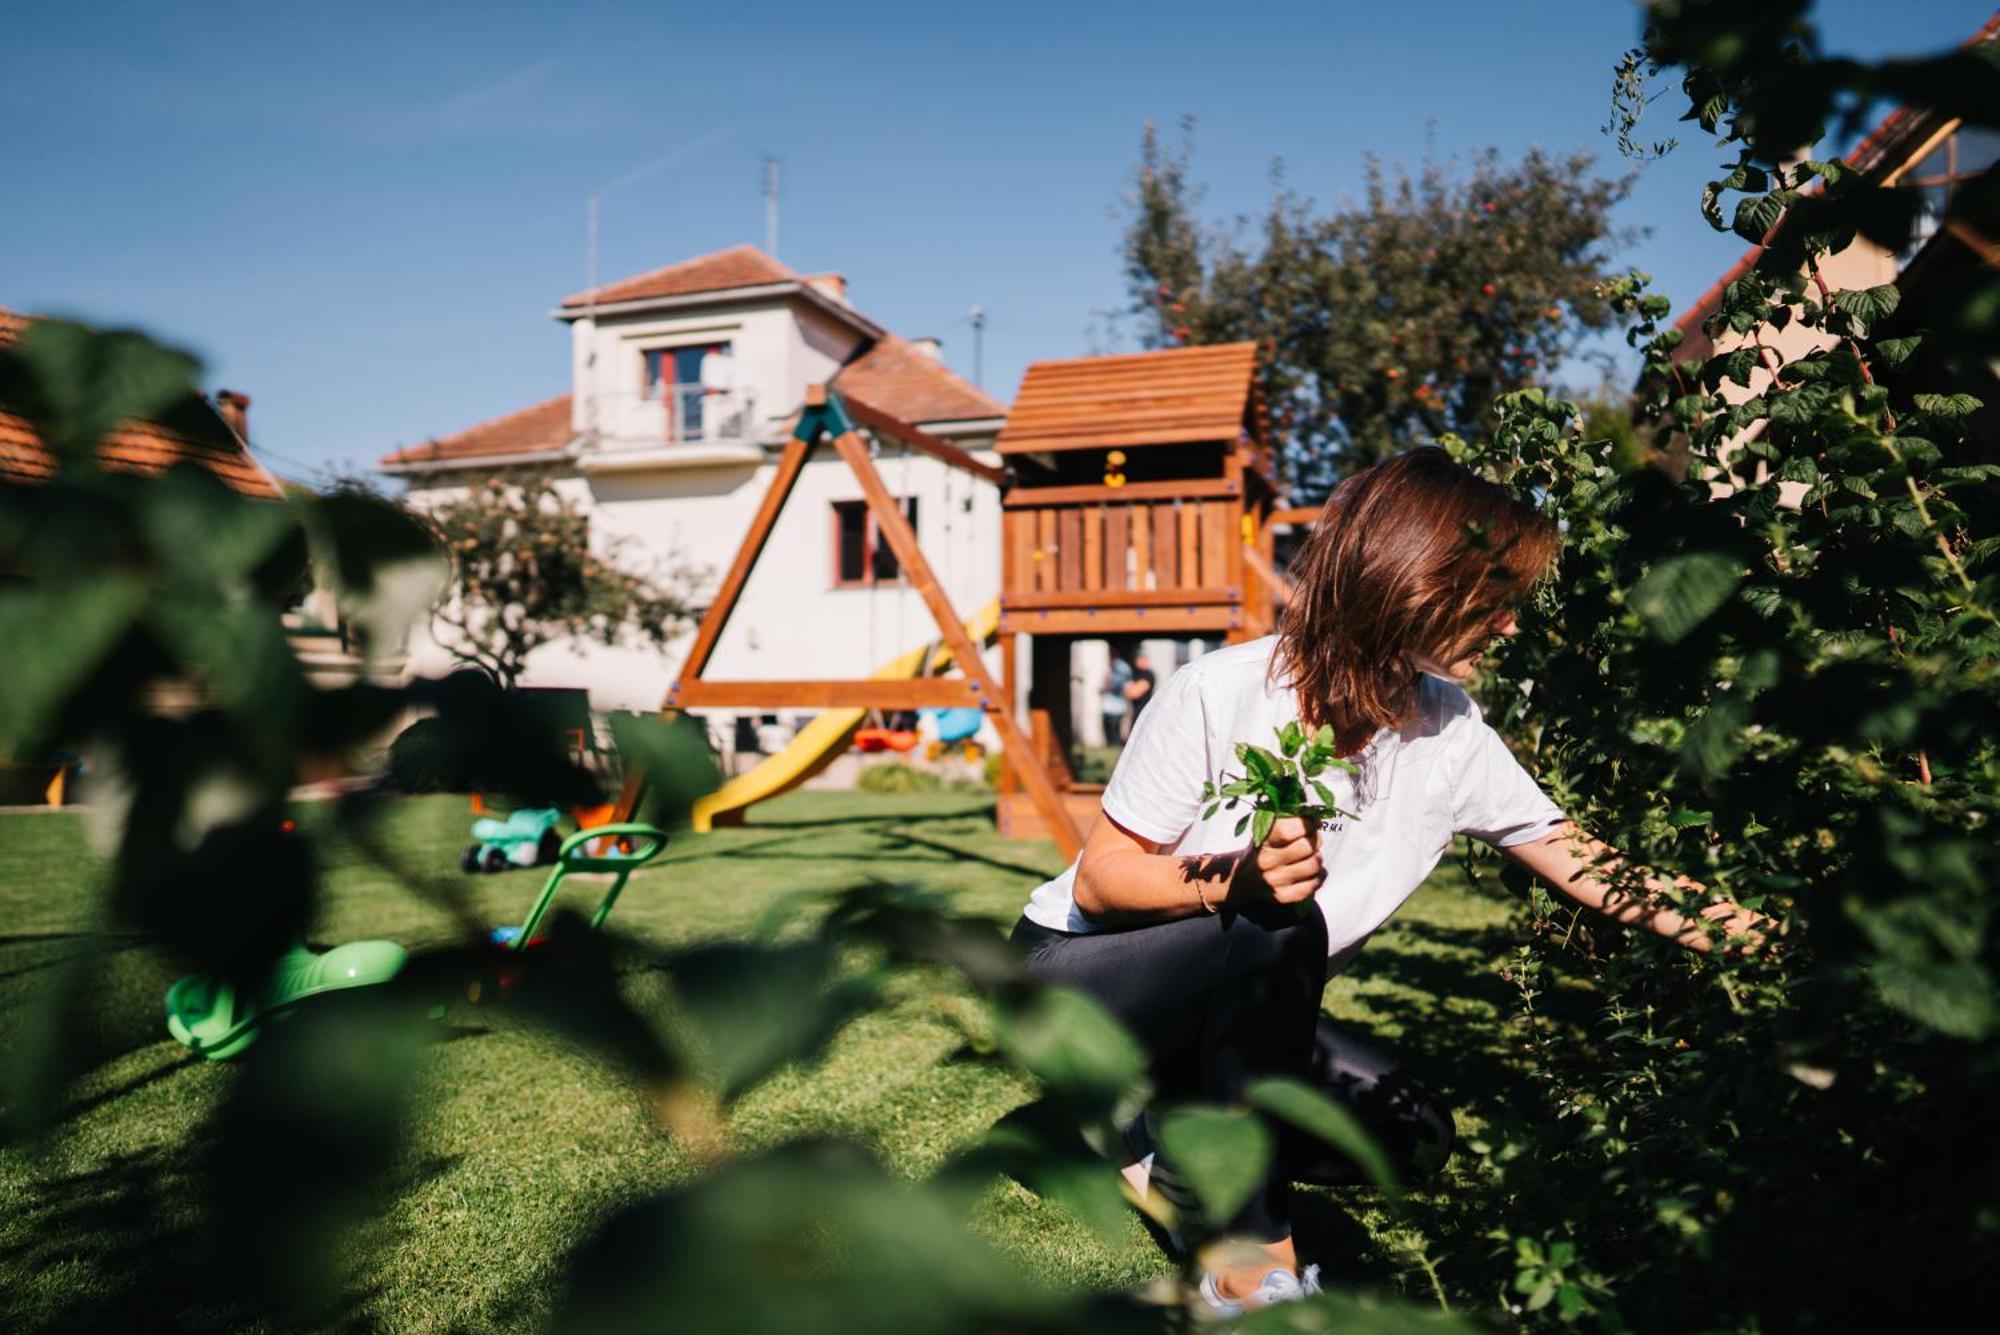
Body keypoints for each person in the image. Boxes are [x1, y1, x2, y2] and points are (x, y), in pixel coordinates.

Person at [1008, 447, 1771, 1317]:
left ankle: (1170, 1154)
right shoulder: (1221, 691)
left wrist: (1759, 938)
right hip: (1076, 982)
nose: (1511, 626)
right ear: (1419, 581)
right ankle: (1247, 1263)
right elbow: (1104, 880)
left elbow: (1585, 860)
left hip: (1230, 1005)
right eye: (1497, 600)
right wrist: (1233, 881)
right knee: (1285, 923)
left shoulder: (1452, 732)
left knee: (1406, 1133)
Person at [1101, 653, 1134, 745]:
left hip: (1116, 703)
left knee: (1113, 726)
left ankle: (1114, 743)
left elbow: (1117, 684)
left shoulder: (1119, 667)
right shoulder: (1121, 667)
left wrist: (1108, 686)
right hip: (1116, 703)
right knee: (1114, 725)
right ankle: (1114, 743)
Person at [1125, 649, 1156, 723]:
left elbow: (1134, 693)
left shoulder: (1146, 674)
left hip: (1143, 714)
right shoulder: (1138, 674)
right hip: (1138, 712)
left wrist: (1128, 688)